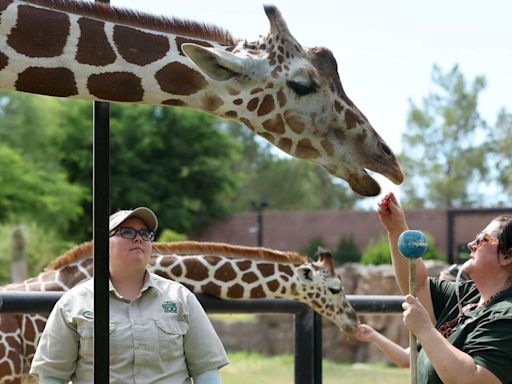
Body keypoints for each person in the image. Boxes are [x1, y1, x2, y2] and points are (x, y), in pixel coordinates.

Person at [30, 207, 229, 384]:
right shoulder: (72, 304)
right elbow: (53, 376)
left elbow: (206, 370)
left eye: (145, 233)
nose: (138, 238)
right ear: (102, 244)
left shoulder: (181, 298)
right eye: (127, 232)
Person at [377, 192, 512, 384]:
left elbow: (475, 379)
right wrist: (396, 229)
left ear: (507, 256)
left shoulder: (506, 315)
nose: (471, 244)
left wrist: (424, 329)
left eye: (482, 239)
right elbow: (419, 284)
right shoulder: (468, 296)